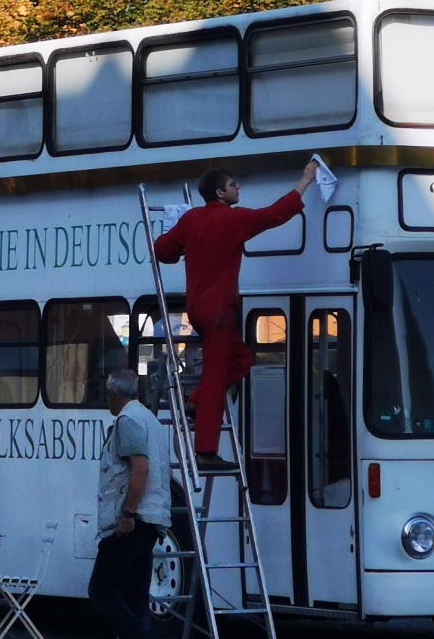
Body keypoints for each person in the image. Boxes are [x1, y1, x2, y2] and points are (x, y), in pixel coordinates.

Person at [153, 159, 316, 470]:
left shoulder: (191, 220)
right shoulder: (233, 220)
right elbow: (274, 215)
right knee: (215, 379)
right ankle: (205, 450)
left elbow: (163, 251)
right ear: (220, 192)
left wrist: (190, 246)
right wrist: (304, 181)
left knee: (243, 360)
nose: (238, 187)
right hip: (220, 312)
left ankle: (196, 402)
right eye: (232, 184)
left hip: (198, 308)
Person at [88, 370, 171, 639]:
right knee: (136, 597)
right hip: (153, 519)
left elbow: (140, 469)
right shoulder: (150, 419)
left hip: (133, 521)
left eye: (107, 395)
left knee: (102, 590)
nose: (107, 401)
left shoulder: (128, 420)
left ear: (113, 394)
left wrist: (127, 514)